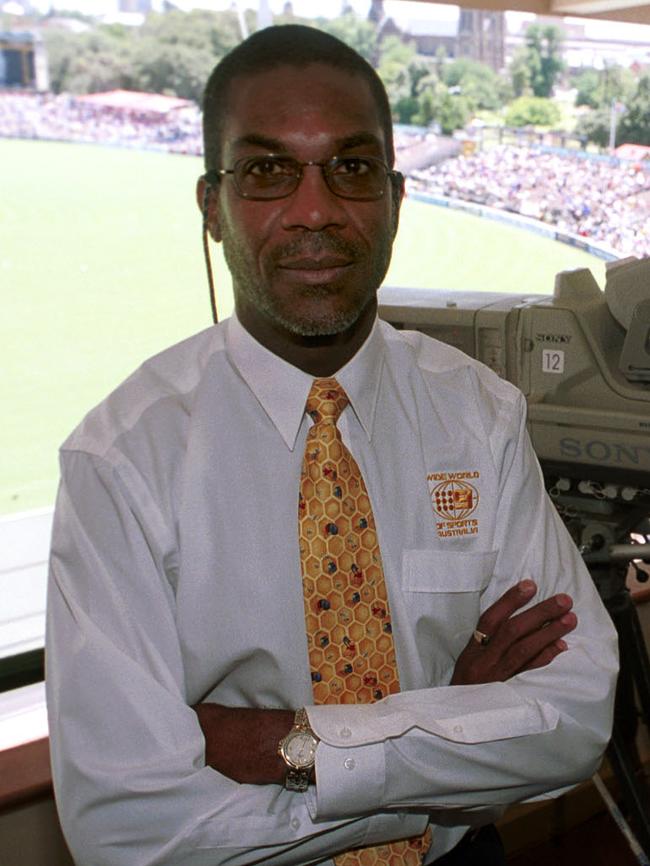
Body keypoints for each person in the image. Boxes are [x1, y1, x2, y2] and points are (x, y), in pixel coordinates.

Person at [46, 24, 618, 866]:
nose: (314, 211)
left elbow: (572, 721)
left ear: (394, 198)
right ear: (212, 208)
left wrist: (291, 747)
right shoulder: (123, 463)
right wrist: (446, 730)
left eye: (351, 169)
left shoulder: (480, 417)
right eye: (269, 171)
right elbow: (132, 832)